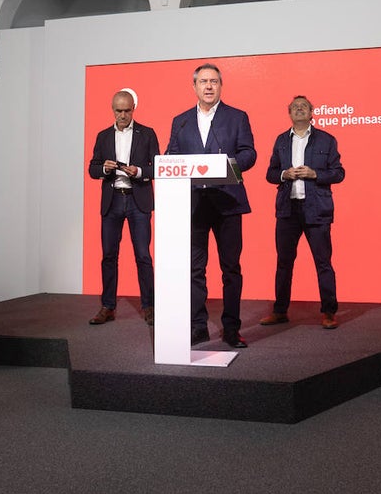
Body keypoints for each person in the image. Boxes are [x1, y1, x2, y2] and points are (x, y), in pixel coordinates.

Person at [166, 64, 256, 348]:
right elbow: (172, 155)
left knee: (231, 268)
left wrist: (226, 166)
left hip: (227, 201)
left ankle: (231, 329)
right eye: (203, 81)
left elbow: (249, 153)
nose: (208, 86)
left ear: (221, 86)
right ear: (194, 86)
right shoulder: (180, 121)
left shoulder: (237, 117)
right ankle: (197, 326)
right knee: (195, 269)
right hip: (193, 204)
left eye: (214, 81)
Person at [261, 96, 344, 329]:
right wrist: (283, 175)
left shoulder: (327, 140)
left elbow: (338, 173)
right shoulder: (281, 140)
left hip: (316, 209)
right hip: (288, 210)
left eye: (303, 106)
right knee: (284, 262)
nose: (299, 109)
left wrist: (314, 173)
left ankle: (329, 312)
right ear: (289, 113)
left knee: (323, 262)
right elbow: (270, 173)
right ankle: (280, 311)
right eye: (295, 107)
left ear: (312, 112)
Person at [87, 91, 159, 326]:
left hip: (138, 201)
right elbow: (92, 169)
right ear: (112, 110)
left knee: (143, 256)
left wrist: (138, 171)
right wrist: (105, 169)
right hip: (112, 201)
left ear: (133, 108)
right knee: (109, 256)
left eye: (127, 110)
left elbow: (158, 167)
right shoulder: (103, 136)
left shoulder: (147, 134)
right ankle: (108, 306)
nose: (123, 115)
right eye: (119, 110)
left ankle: (150, 307)